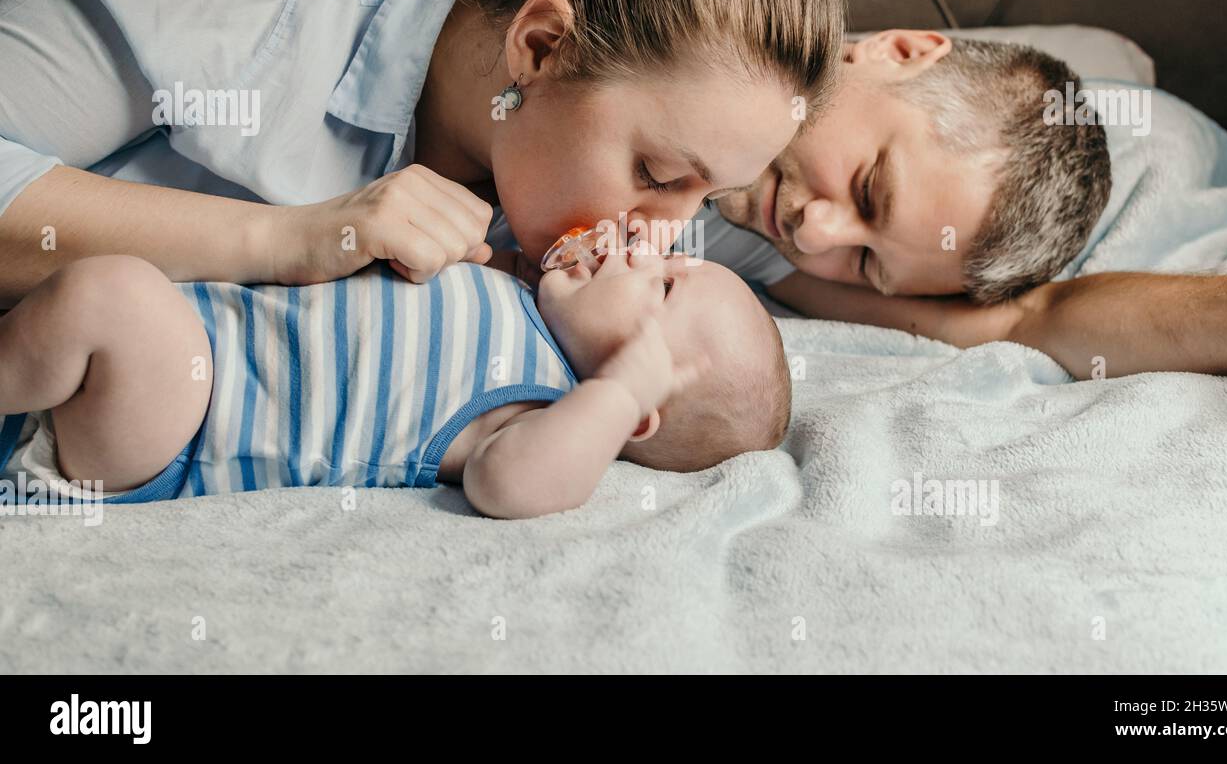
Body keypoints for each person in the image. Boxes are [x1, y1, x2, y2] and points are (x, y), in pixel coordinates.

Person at [0, 0, 842, 306]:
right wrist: (281, 238)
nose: (665, 242)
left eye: (708, 198)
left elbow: (809, 264)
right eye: (657, 176)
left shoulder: (579, 164)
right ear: (541, 47)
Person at [0, 243, 789, 518]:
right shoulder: (520, 296)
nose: (643, 253)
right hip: (197, 332)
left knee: (108, 298)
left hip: (185, 428)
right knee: (94, 301)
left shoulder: (539, 407)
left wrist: (612, 398)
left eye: (663, 286)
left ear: (639, 414)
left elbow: (506, 486)